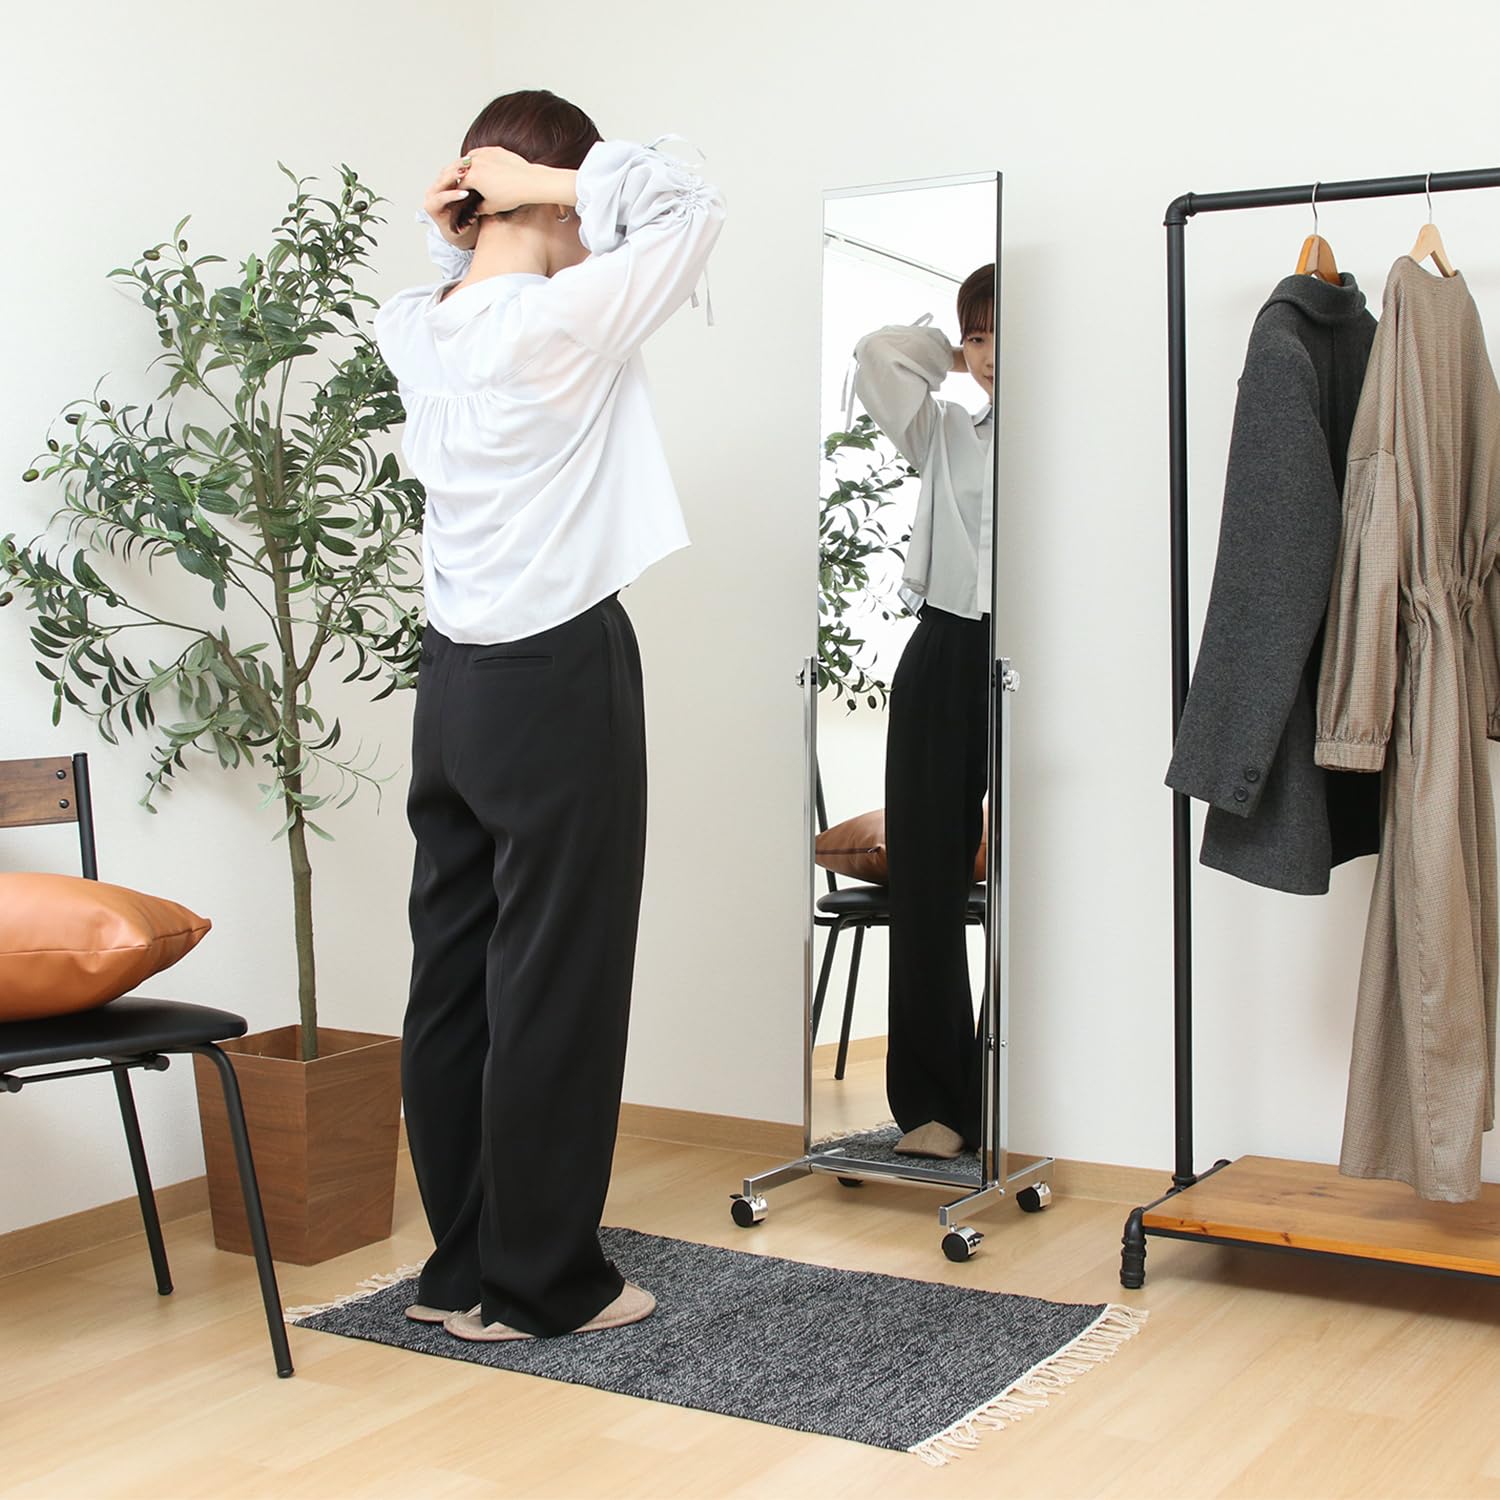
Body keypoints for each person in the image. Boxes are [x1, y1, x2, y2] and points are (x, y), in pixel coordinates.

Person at [373, 89, 724, 1341]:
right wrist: (545, 189)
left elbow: (466, 291)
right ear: (546, 193)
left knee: (454, 973)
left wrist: (471, 225)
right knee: (556, 978)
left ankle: (461, 1273)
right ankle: (540, 1286)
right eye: (576, 200)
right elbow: (690, 204)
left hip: (453, 686)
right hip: (558, 670)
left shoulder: (416, 323)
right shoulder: (569, 317)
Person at [850, 267, 995, 1159]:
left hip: (1042, 651)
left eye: (1002, 334)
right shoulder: (944, 429)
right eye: (977, 337)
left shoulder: (1076, 432)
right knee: (928, 878)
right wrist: (955, 349)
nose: (988, 354)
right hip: (945, 647)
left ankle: (1031, 1091)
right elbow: (877, 354)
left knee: (1051, 876)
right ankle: (938, 1105)